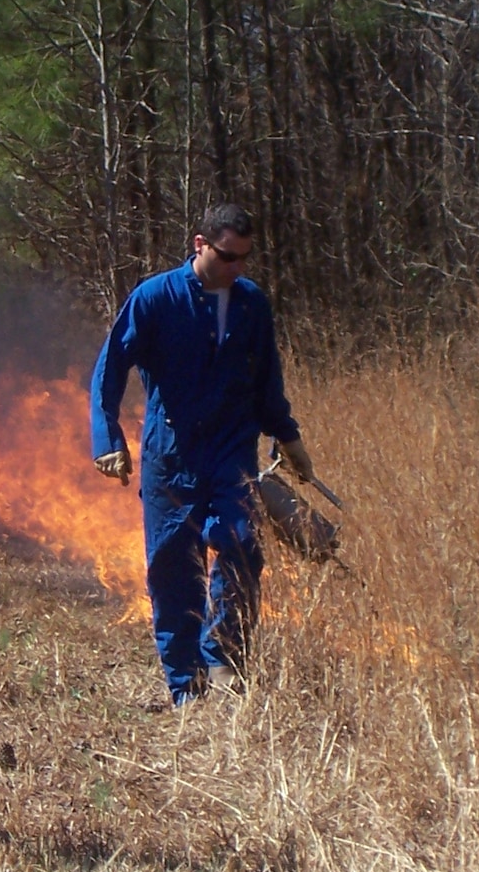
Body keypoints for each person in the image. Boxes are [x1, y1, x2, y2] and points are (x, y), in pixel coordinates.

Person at [89, 202, 313, 707]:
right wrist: (107, 440)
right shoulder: (155, 298)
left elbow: (266, 381)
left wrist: (289, 438)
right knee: (173, 567)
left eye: (244, 259)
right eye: (227, 256)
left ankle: (225, 666)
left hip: (233, 453)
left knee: (240, 549)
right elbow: (108, 371)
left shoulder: (252, 303)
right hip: (172, 456)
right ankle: (184, 684)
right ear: (200, 245)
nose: (236, 268)